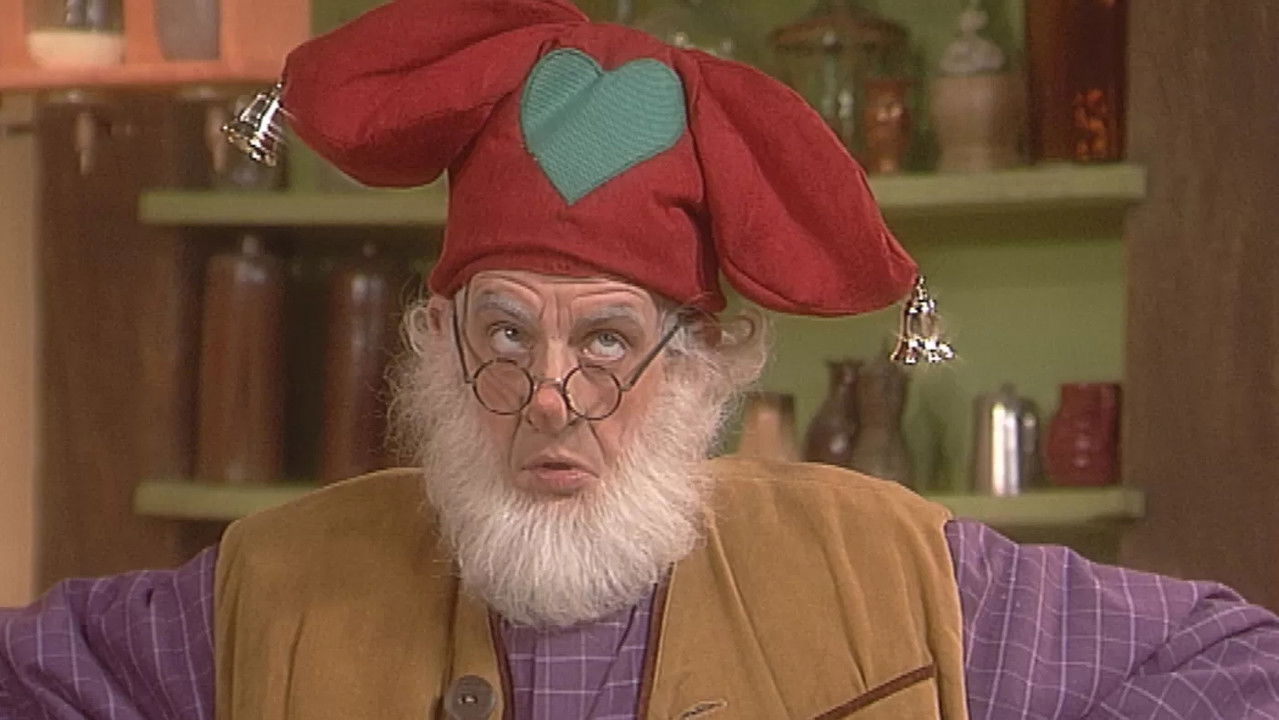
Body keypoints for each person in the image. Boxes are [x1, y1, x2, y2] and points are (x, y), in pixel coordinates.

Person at [4, 0, 1279, 718]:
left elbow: (1242, 666)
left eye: (607, 338)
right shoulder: (273, 589)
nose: (550, 398)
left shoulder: (893, 574)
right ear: (437, 342)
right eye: (506, 333)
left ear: (704, 362)